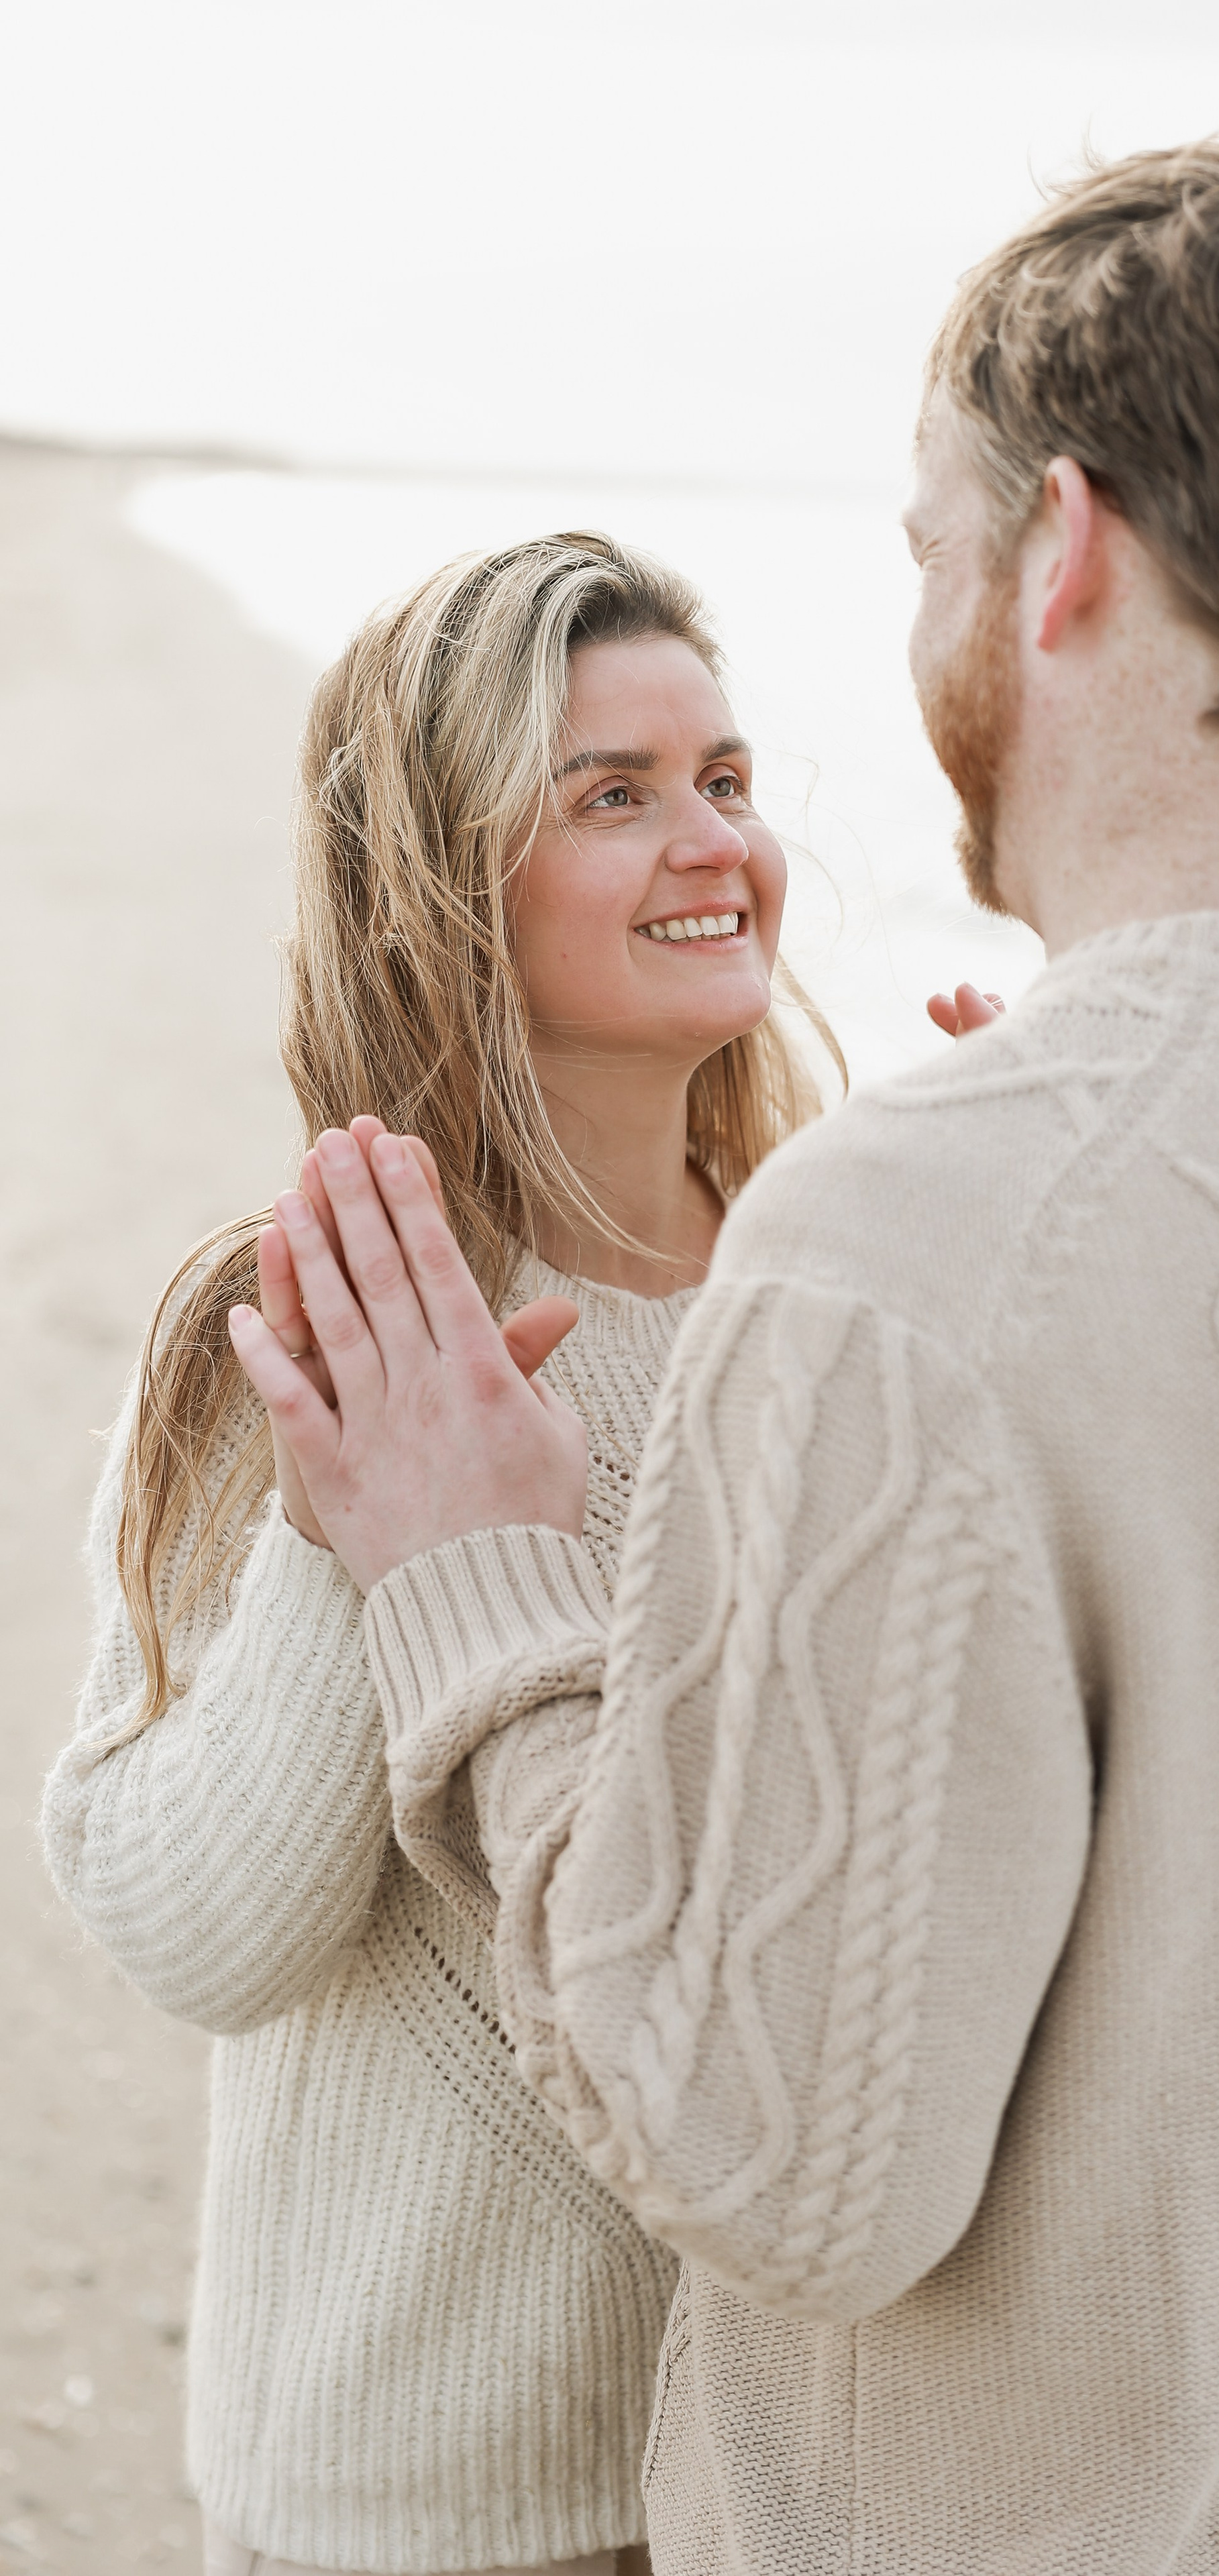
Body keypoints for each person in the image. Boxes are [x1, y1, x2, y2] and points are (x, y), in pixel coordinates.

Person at [231, 148, 1219, 2575]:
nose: (916, 613)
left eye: (927, 546)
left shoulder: (908, 1237)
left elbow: (770, 2160)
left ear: (1067, 554)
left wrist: (476, 1591)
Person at [42, 531, 847, 2576]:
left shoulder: (844, 1295)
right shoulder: (306, 1311)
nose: (714, 843)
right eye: (614, 792)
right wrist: (349, 1545)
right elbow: (191, 1935)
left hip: (786, 2496)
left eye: (728, 778)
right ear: (441, 877)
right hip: (401, 2506)